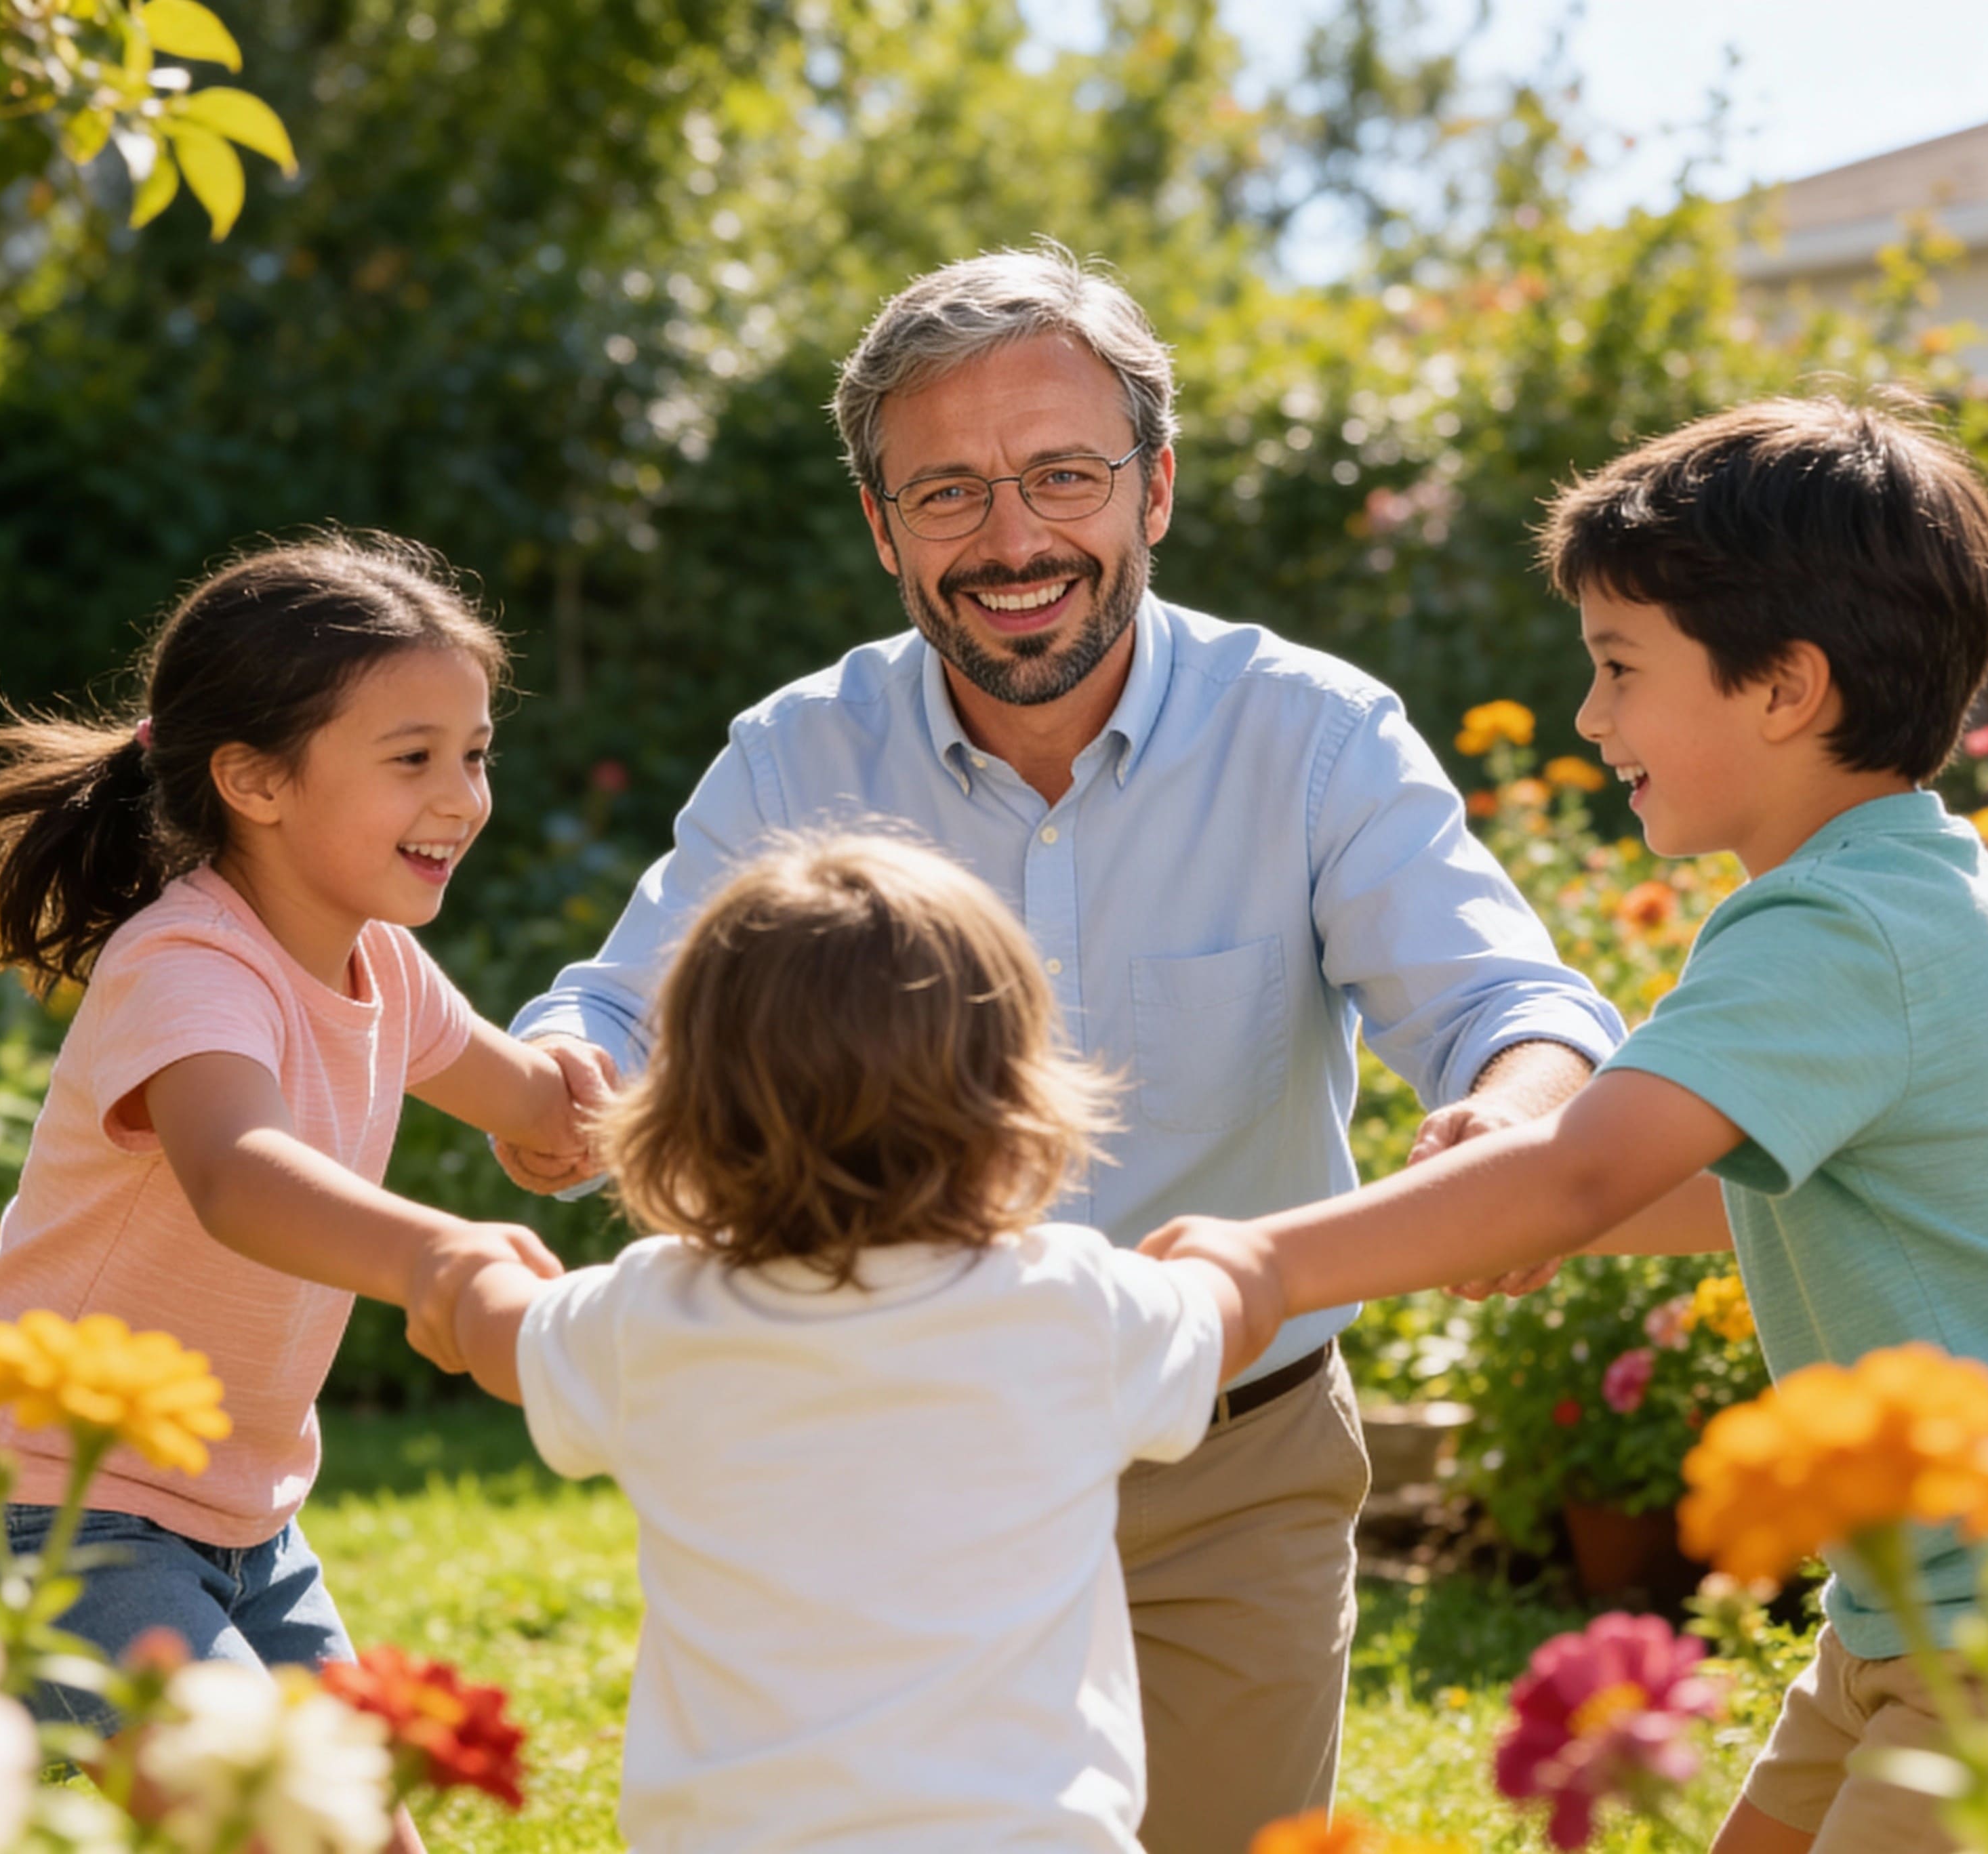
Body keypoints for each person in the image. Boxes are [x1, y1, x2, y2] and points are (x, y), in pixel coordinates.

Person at [506, 245, 1625, 1848]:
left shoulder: (1309, 732)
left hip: (1228, 1463)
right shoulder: (796, 753)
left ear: (1152, 487)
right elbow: (617, 1011)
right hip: (871, 1469)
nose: (1013, 538)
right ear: (881, 525)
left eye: (1062, 475)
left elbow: (1508, 1008)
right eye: (947, 493)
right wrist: (562, 1074)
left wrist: (1509, 1119)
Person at [1139, 396, 1988, 1854]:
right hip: (1939, 1600)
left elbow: (1586, 1164)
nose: (1589, 716)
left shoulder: (1833, 926)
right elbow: (1761, 1184)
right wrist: (1527, 1217)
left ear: (1783, 687)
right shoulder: (1916, 880)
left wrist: (1264, 1265)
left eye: (1617, 666)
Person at [0, 533, 594, 1850]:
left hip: (244, 1523)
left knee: (361, 1834)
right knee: (279, 1827)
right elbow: (236, 1172)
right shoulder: (189, 965)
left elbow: (544, 1106)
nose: (462, 798)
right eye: (412, 759)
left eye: (475, 753)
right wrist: (437, 1258)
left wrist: (615, 1114)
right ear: (254, 779)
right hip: (52, 1506)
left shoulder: (381, 965)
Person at [458, 831, 1262, 1853]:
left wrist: (468, 1267)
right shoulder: (1071, 1301)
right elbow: (1240, 1313)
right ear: (1010, 1100)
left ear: (696, 1105)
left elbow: (496, 1332)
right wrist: (1230, 1261)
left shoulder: (656, 1312)